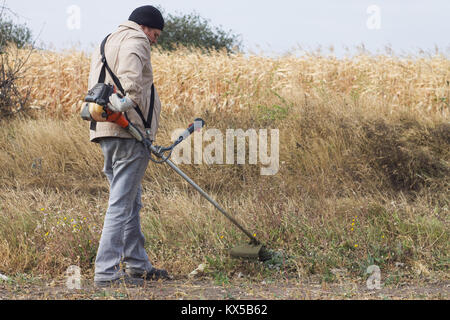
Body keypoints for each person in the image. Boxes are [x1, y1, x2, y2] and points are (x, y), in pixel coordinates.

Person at [87, 5, 170, 288]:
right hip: (128, 133)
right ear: (146, 28)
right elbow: (131, 85)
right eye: (156, 35)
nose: (155, 41)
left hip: (105, 131)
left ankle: (137, 264)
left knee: (130, 200)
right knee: (121, 203)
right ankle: (106, 271)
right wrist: (122, 107)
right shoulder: (137, 41)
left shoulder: (107, 40)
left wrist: (109, 112)